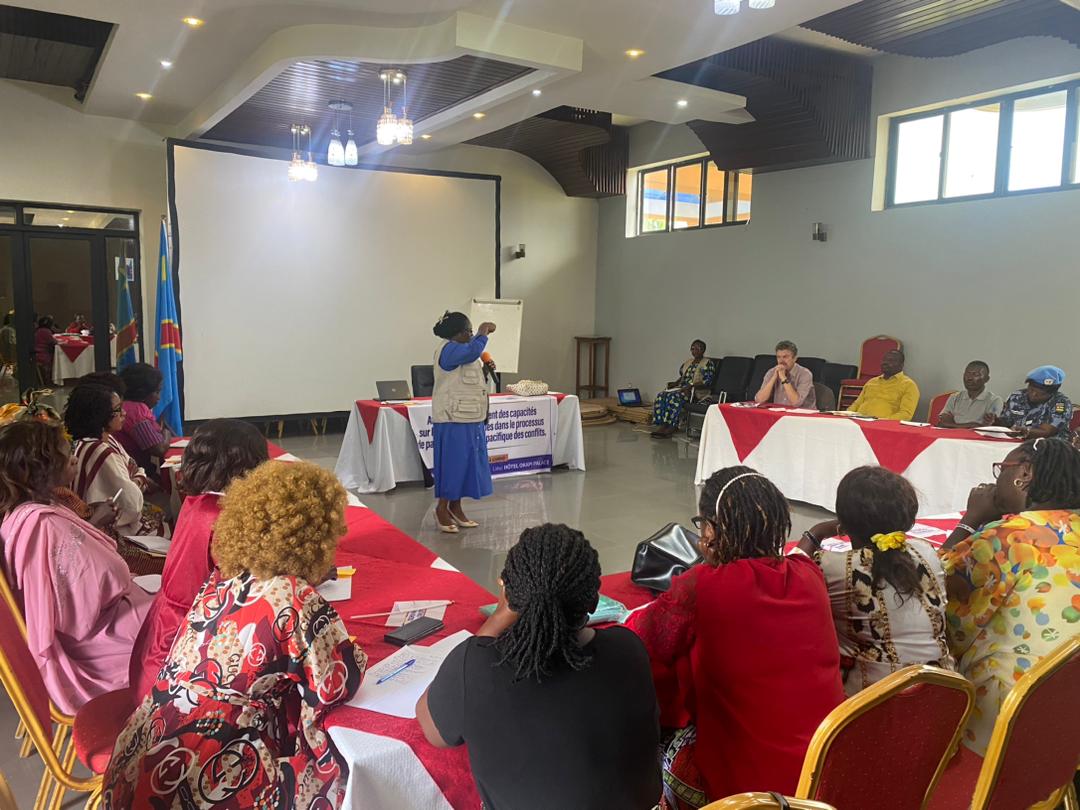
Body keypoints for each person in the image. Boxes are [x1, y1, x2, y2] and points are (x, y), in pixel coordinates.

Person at [103, 461, 367, 808]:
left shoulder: (219, 583)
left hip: (138, 763)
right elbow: (337, 682)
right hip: (208, 776)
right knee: (341, 780)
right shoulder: (293, 597)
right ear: (315, 537)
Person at [626, 467, 844, 808]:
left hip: (753, 794)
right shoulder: (808, 575)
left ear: (711, 530)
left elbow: (641, 640)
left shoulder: (702, 586)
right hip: (826, 775)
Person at [417, 523, 661, 810]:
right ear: (594, 601)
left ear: (508, 594)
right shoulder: (627, 648)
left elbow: (434, 732)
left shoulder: (477, 665)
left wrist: (497, 619)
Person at [0, 420, 152, 714]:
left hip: (97, 626)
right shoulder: (44, 525)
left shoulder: (23, 512)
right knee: (183, 622)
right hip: (96, 646)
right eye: (65, 453)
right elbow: (100, 586)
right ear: (39, 468)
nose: (73, 459)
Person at [940, 437, 1080, 755]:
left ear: (1024, 473)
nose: (995, 480)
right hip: (1067, 708)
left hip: (1011, 712)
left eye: (1001, 469)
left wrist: (970, 519)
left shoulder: (1008, 537)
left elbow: (936, 600)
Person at [128, 418, 269, 700]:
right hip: (191, 649)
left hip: (166, 628)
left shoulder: (198, 501)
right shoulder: (225, 519)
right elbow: (254, 589)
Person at [798, 467, 953, 696]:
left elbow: (792, 575)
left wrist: (815, 533)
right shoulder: (926, 552)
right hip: (945, 697)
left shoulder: (831, 567)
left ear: (843, 522)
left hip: (872, 704)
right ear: (909, 519)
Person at [64, 383, 163, 536]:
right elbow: (131, 503)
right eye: (117, 410)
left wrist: (136, 478)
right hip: (112, 532)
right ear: (100, 415)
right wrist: (139, 479)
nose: (124, 413)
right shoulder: (100, 451)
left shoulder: (102, 440)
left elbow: (134, 469)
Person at [431, 311, 496, 533]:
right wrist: (483, 332)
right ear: (456, 334)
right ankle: (441, 509)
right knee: (453, 465)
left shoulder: (463, 350)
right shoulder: (449, 349)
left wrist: (484, 371)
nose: (471, 335)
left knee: (468, 465)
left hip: (469, 417)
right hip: (452, 420)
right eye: (468, 331)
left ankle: (455, 507)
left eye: (472, 331)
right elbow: (472, 350)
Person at [651, 340, 718, 438]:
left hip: (696, 391)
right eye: (692, 348)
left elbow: (707, 381)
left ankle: (672, 426)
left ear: (703, 350)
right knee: (662, 395)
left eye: (697, 349)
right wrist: (675, 383)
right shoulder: (688, 362)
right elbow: (683, 377)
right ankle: (663, 425)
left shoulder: (708, 363)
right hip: (682, 388)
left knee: (674, 397)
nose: (694, 351)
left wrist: (691, 386)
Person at [115, 362, 168, 473]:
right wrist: (167, 434)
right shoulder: (136, 411)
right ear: (143, 393)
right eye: (157, 392)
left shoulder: (125, 405)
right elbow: (159, 449)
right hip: (133, 473)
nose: (159, 397)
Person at [996, 365, 1073, 439]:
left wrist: (1024, 432)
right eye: (1031, 390)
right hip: (1015, 442)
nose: (1033, 395)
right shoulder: (1017, 396)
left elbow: (1047, 432)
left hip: (1049, 445)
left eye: (1041, 393)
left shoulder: (1061, 403)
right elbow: (1007, 421)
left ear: (1052, 393)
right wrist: (996, 421)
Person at [850, 350, 919, 420]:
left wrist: (881, 421)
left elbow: (905, 415)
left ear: (901, 365)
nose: (885, 363)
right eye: (884, 360)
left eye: (891, 360)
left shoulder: (909, 385)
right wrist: (846, 416)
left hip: (883, 424)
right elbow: (856, 404)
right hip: (857, 421)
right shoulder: (871, 382)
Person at [937, 361, 1003, 429]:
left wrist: (953, 425)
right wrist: (973, 425)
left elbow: (988, 428)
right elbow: (943, 422)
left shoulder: (995, 401)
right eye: (967, 374)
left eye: (976, 374)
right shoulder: (955, 397)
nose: (969, 378)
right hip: (951, 435)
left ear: (986, 379)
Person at [754, 340, 816, 408]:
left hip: (802, 413)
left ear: (795, 358)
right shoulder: (772, 372)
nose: (781, 361)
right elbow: (759, 400)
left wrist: (783, 378)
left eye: (785, 357)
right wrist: (773, 378)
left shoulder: (805, 374)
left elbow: (796, 403)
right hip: (779, 411)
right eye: (778, 357)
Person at [33, 315, 57, 383]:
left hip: (36, 352)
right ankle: (50, 378)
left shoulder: (38, 330)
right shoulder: (46, 331)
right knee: (55, 357)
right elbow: (53, 342)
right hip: (41, 354)